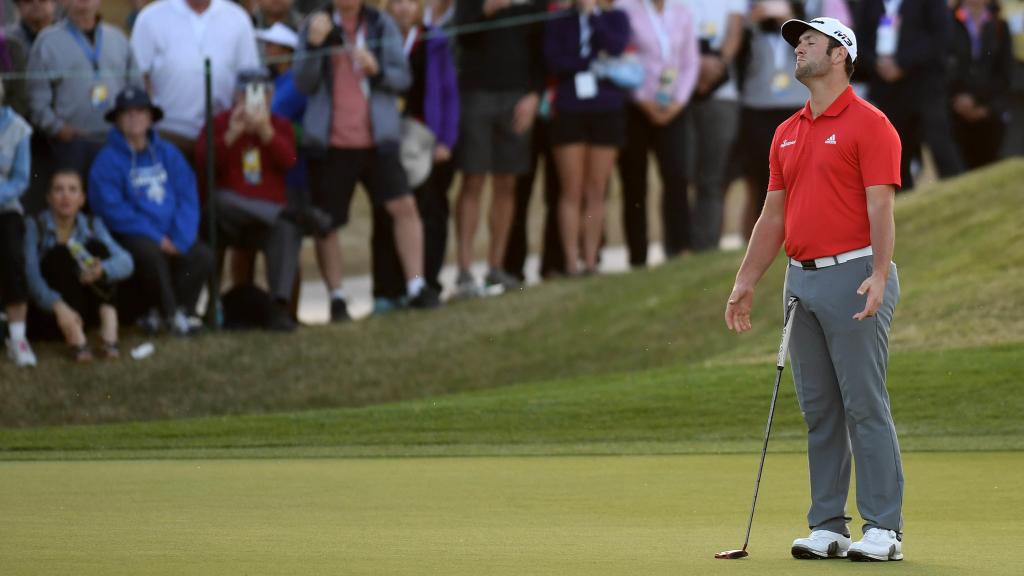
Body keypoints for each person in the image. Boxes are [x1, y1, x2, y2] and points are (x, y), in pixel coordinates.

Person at [725, 17, 906, 562]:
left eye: (809, 41)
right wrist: (745, 282)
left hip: (855, 276)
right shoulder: (787, 131)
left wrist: (879, 271)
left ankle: (884, 529)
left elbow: (881, 205)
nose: (798, 48)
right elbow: (772, 215)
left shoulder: (870, 124)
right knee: (820, 409)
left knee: (864, 403)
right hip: (800, 281)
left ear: (839, 55)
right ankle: (828, 525)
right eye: (796, 42)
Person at [295, 0, 439, 321]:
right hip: (332, 142)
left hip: (378, 140)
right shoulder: (315, 23)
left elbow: (403, 78)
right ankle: (337, 297)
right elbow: (302, 82)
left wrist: (378, 70)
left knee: (404, 207)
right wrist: (315, 47)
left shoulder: (379, 24)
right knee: (327, 223)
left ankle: (416, 286)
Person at [88, 88, 214, 336]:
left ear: (150, 118)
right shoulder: (107, 160)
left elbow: (188, 196)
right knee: (149, 254)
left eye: (140, 112)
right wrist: (157, 237)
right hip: (135, 234)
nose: (134, 118)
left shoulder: (169, 153)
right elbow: (111, 208)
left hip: (171, 234)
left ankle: (181, 311)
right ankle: (167, 314)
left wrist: (180, 237)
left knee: (201, 254)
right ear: (117, 120)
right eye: (126, 113)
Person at [195, 70, 302, 331]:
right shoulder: (220, 123)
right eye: (247, 93)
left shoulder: (279, 125)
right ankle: (211, 307)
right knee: (220, 201)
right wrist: (233, 133)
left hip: (266, 222)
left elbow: (289, 161)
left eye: (262, 93)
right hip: (227, 216)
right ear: (236, 95)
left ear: (271, 96)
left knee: (286, 230)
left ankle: (278, 309)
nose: (255, 100)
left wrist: (266, 132)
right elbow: (204, 162)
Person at [452, 0, 545, 297]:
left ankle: (496, 268)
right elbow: (461, 34)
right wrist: (486, 8)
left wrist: (534, 94)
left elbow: (540, 45)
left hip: (517, 96)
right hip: (476, 93)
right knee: (473, 179)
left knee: (507, 182)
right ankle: (465, 272)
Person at [374, 0, 459, 310]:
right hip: (388, 137)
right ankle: (387, 290)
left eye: (408, 1)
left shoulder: (434, 40)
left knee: (430, 212)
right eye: (395, 2)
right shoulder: (378, 39)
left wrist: (446, 141)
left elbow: (449, 92)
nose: (402, 8)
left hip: (425, 139)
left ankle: (427, 283)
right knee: (388, 212)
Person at [544, 0, 629, 275]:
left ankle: (591, 260)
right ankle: (571, 262)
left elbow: (614, 46)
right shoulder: (559, 19)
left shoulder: (615, 17)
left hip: (606, 109)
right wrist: (591, 61)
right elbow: (553, 59)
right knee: (572, 188)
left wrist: (593, 15)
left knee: (596, 189)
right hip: (570, 108)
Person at [616, 0, 699, 267]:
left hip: (672, 108)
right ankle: (637, 256)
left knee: (676, 177)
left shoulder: (682, 13)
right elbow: (622, 57)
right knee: (635, 183)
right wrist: (642, 100)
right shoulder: (625, 10)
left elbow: (690, 62)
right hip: (636, 108)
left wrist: (678, 103)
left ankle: (681, 248)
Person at [130, 0, 261, 162]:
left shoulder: (238, 18)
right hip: (166, 136)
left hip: (222, 136)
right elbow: (137, 78)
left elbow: (251, 79)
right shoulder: (150, 18)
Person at [25, 170, 134, 362]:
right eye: (59, 190)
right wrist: (58, 307)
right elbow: (30, 275)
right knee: (60, 253)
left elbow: (126, 261)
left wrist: (102, 270)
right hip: (51, 312)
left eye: (72, 190)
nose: (65, 196)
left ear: (82, 199)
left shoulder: (92, 224)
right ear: (49, 198)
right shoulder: (35, 226)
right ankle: (75, 337)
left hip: (86, 304)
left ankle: (109, 325)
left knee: (98, 249)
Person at [855, 0, 964, 190]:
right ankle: (900, 200)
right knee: (895, 150)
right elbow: (859, 41)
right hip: (887, 88)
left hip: (925, 83)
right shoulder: (869, 3)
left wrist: (902, 64)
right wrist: (877, 63)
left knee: (939, 140)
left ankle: (958, 190)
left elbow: (942, 36)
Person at [26, 0, 137, 181]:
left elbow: (135, 88)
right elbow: (36, 100)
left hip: (116, 140)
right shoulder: (47, 42)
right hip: (71, 145)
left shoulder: (118, 39)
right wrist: (58, 129)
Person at [738, 1, 810, 241]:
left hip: (796, 107)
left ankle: (799, 235)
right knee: (762, 178)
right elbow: (736, 62)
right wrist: (749, 24)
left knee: (801, 177)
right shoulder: (750, 31)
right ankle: (760, 240)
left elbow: (814, 55)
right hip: (757, 109)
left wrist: (790, 22)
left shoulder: (802, 31)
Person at [683, 0, 746, 252]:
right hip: (678, 95)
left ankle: (705, 245)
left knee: (711, 177)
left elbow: (734, 32)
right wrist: (695, 67)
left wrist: (714, 68)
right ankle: (677, 246)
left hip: (721, 94)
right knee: (680, 174)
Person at [949, 0, 1013, 169]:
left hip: (989, 113)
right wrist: (958, 100)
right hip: (954, 113)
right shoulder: (948, 20)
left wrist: (982, 104)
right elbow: (942, 66)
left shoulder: (999, 24)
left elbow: (1004, 74)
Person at [0, 81, 34, 367]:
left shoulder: (18, 128)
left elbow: (21, 179)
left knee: (12, 257)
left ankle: (18, 338)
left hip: (6, 208)